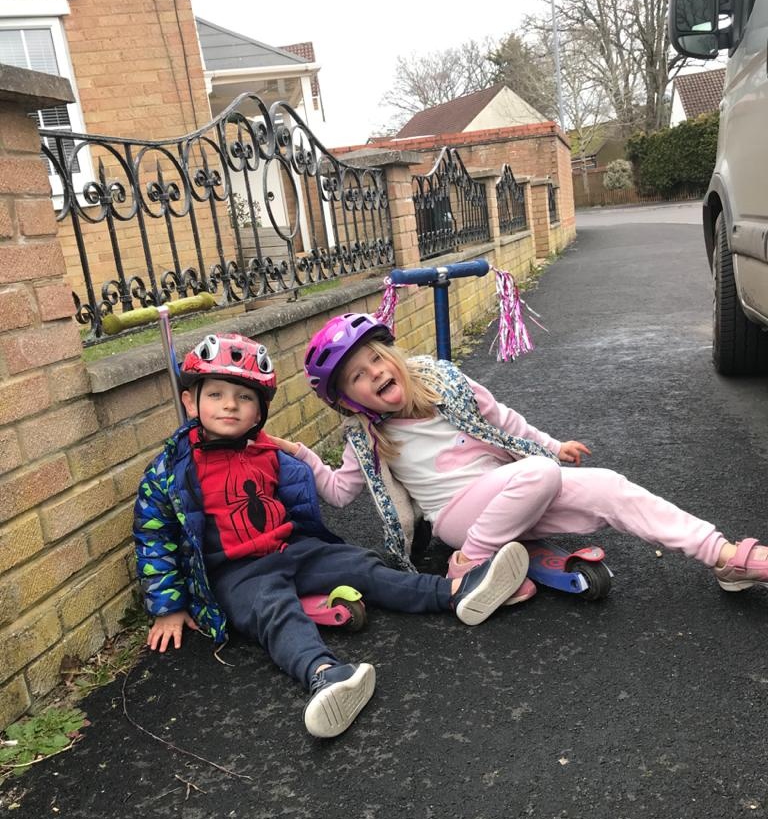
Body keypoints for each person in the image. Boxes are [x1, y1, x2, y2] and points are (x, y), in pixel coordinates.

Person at [133, 332, 530, 740]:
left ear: (259, 412)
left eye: (244, 397)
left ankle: (456, 591)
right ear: (190, 402)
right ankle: (325, 675)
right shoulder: (172, 470)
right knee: (274, 610)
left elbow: (305, 503)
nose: (230, 405)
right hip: (237, 572)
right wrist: (168, 606)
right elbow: (154, 537)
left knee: (363, 565)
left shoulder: (269, 454)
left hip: (292, 548)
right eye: (216, 394)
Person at [271, 312, 768, 600]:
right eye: (358, 376)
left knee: (609, 486)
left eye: (376, 359)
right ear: (348, 401)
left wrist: (553, 446)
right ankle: (471, 564)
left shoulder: (447, 384)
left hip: (516, 490)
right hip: (460, 519)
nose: (375, 373)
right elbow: (340, 493)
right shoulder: (366, 436)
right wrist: (300, 455)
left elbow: (506, 422)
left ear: (393, 356)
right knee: (538, 474)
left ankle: (722, 556)